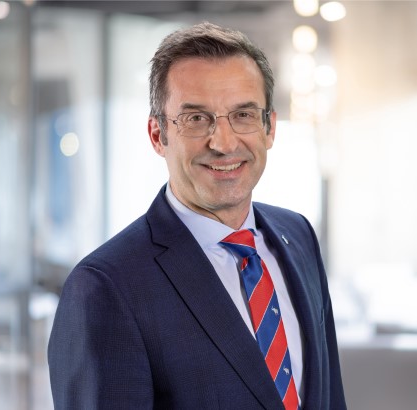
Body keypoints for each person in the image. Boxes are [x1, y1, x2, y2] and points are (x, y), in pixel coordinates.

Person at [48, 22, 347, 410]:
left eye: (243, 114)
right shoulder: (105, 288)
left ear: (269, 128)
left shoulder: (299, 236)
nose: (223, 143)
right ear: (158, 135)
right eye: (196, 119)